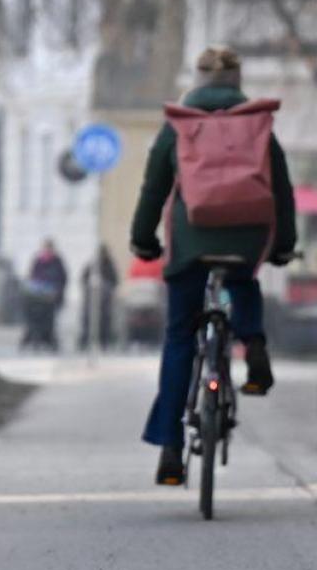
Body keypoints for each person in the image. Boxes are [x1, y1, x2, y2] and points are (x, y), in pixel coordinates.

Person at [131, 45, 297, 486]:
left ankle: (170, 447)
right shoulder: (258, 124)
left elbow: (153, 191)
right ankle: (254, 344)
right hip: (245, 239)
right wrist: (283, 246)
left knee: (180, 334)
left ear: (198, 80)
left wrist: (142, 241)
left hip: (190, 244)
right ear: (238, 81)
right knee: (243, 284)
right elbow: (281, 191)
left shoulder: (179, 127)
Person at [22, 239, 68, 351]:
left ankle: (47, 338)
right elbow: (32, 276)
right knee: (33, 316)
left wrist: (56, 291)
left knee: (48, 320)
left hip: (51, 298)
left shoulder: (57, 262)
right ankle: (34, 336)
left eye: (49, 248)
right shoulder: (38, 261)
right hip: (37, 297)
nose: (47, 251)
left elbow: (62, 279)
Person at [78, 246, 119, 351]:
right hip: (91, 301)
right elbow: (83, 279)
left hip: (105, 301)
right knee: (87, 318)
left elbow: (114, 281)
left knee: (105, 319)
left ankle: (104, 341)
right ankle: (86, 341)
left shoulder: (110, 266)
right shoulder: (92, 265)